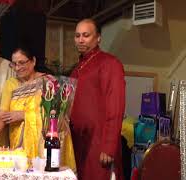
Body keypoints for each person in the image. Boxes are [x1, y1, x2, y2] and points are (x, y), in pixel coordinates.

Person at [0, 46, 77, 172]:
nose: (17, 68)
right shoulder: (11, 84)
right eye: (14, 64)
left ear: (33, 61)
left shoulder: (48, 82)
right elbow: (2, 114)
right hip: (19, 148)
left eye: (22, 63)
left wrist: (24, 115)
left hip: (44, 145)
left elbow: (57, 115)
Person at [70, 18, 126, 180]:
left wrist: (108, 147)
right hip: (78, 143)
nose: (80, 39)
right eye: (77, 35)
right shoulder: (77, 68)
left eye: (86, 35)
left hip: (99, 143)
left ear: (98, 38)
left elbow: (115, 107)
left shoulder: (110, 63)